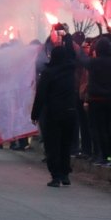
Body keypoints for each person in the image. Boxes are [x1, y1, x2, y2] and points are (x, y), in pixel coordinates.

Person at [32, 45, 77, 187]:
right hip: (70, 113)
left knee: (52, 146)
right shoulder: (71, 72)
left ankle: (56, 176)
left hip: (53, 114)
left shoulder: (48, 73)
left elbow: (41, 95)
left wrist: (35, 113)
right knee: (65, 145)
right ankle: (65, 174)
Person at [83, 37, 111, 166]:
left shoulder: (93, 63)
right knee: (110, 128)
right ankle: (110, 156)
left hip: (96, 100)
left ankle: (104, 156)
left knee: (99, 128)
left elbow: (81, 59)